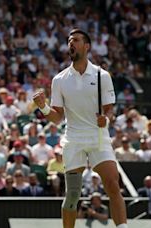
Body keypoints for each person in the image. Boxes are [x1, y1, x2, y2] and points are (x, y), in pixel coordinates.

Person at [33, 29, 127, 228]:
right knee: (73, 193)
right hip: (73, 140)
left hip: (98, 138)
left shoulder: (103, 75)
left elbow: (109, 109)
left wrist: (106, 120)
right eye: (69, 41)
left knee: (112, 184)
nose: (71, 44)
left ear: (87, 46)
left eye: (75, 40)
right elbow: (57, 117)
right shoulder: (59, 79)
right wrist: (43, 107)